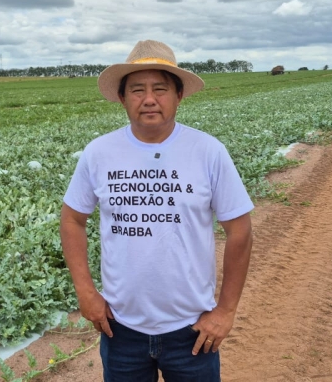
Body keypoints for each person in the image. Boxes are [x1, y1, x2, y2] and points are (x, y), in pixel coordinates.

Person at [60, 39, 253, 381]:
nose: (149, 99)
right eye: (137, 90)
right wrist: (86, 293)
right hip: (120, 329)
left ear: (179, 95)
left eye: (160, 89)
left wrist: (225, 310)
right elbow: (72, 219)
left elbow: (240, 231)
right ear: (122, 98)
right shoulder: (99, 153)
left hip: (192, 330)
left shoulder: (208, 151)